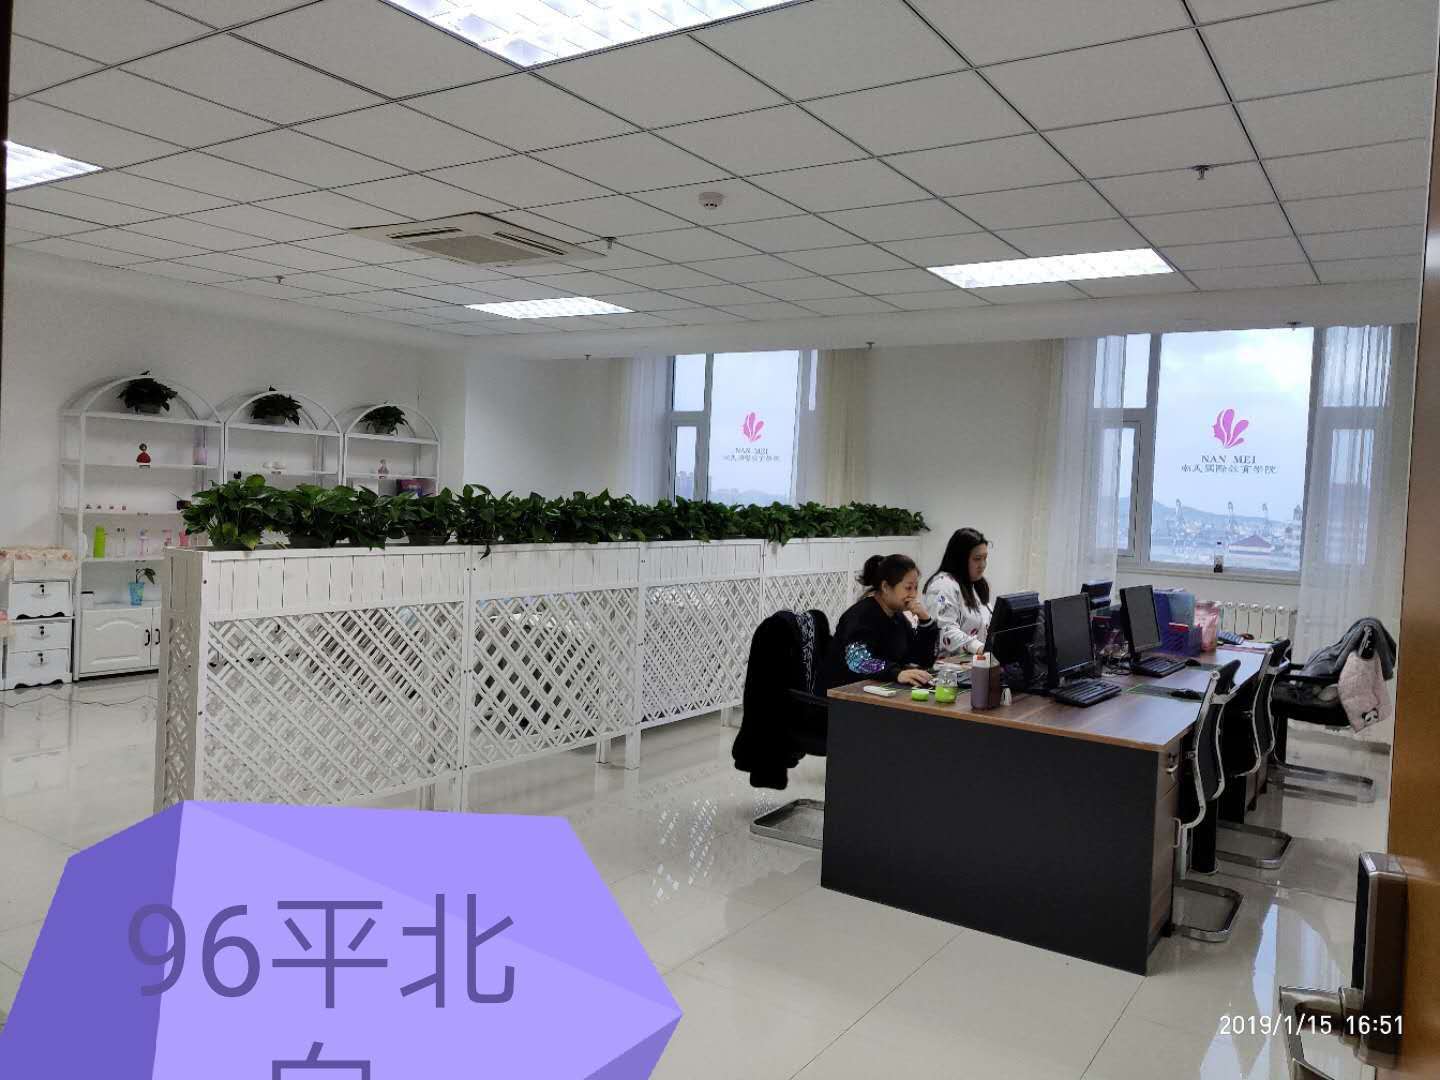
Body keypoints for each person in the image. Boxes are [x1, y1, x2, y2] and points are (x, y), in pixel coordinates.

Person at [823, 554, 939, 689]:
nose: (914, 595)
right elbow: (858, 661)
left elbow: (922, 660)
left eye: (916, 588)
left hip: (880, 688)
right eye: (908, 588)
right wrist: (896, 673)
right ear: (885, 587)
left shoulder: (897, 617)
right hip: (843, 693)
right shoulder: (861, 617)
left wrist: (925, 621)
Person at [923, 527, 993, 658]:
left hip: (974, 662)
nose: (983, 564)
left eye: (985, 558)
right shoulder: (942, 586)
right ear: (960, 559)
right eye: (977, 559)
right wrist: (978, 647)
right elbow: (944, 629)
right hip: (948, 665)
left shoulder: (976, 584)